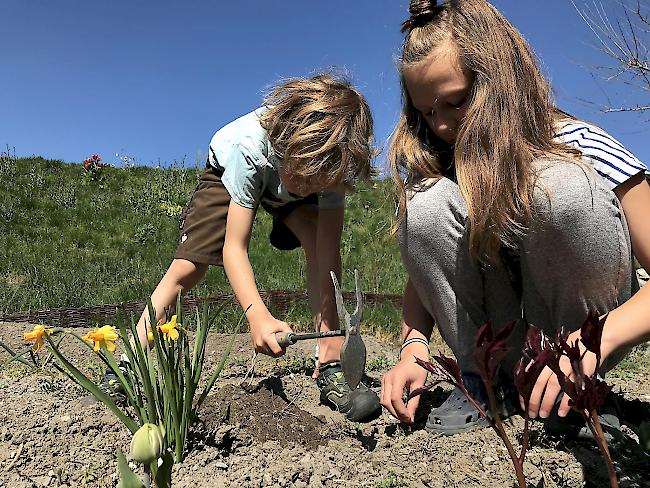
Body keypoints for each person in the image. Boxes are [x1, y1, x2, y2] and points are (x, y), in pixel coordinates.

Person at [380, 0, 650, 435]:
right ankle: (485, 380)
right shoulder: (442, 164)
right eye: (428, 113)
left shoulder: (581, 144)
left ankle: (573, 390)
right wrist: (414, 346)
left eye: (457, 102)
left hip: (582, 335)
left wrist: (594, 343)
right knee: (424, 204)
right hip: (500, 339)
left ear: (499, 80)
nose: (444, 125)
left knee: (558, 188)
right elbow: (431, 276)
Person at [109, 73, 381, 422]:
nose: (311, 189)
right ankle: (128, 362)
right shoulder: (247, 148)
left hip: (281, 179)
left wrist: (331, 337)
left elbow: (328, 253)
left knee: (315, 237)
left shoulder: (332, 166)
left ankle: (329, 364)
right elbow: (233, 248)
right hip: (230, 174)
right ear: (288, 146)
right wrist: (258, 315)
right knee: (189, 267)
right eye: (306, 182)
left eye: (319, 186)